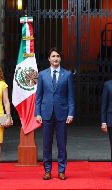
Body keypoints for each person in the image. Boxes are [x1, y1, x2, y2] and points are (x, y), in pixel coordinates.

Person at [35, 47, 75, 180]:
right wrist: (38, 113)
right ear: (49, 59)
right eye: (53, 56)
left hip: (62, 114)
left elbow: (70, 96)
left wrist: (71, 113)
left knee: (62, 144)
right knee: (46, 144)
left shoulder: (67, 74)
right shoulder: (42, 74)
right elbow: (38, 97)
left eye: (58, 56)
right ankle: (47, 170)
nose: (56, 58)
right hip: (46, 114)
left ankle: (61, 170)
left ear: (60, 58)